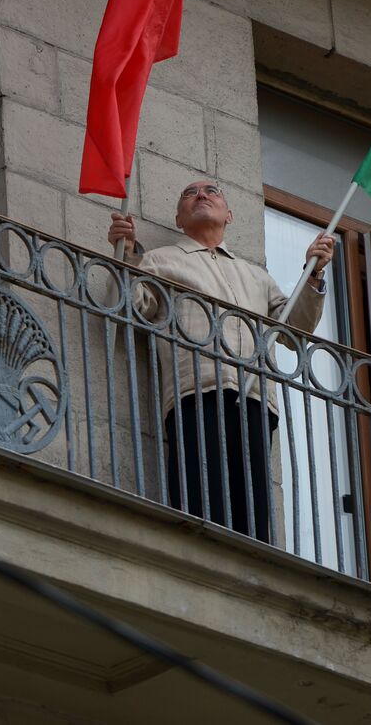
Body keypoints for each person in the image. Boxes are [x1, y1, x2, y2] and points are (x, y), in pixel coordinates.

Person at [108, 181, 334, 543]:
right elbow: (132, 308)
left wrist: (315, 272)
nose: (201, 194)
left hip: (256, 396)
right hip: (196, 388)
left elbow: (295, 330)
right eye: (189, 193)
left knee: (253, 505)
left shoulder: (257, 276)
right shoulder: (161, 260)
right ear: (179, 220)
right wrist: (126, 254)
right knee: (200, 493)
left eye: (211, 190)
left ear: (229, 215)